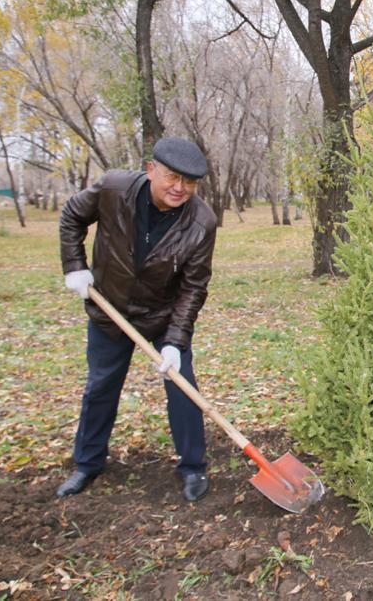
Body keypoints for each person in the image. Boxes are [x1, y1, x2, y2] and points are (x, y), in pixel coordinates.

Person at [57, 137, 218, 502]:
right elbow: (71, 216)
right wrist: (75, 267)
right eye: (172, 177)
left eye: (189, 182)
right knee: (100, 387)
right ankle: (87, 464)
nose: (180, 188)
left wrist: (175, 341)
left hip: (163, 316)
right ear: (151, 170)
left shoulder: (202, 221)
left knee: (183, 387)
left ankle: (193, 467)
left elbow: (194, 286)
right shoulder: (113, 188)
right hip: (109, 310)